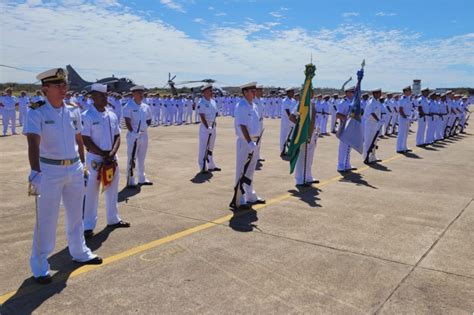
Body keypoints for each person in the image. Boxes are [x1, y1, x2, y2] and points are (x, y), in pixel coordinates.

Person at [24, 68, 102, 284]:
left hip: (74, 169)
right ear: (45, 89)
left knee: (77, 214)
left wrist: (84, 166)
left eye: (64, 84)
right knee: (46, 219)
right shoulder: (36, 111)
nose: (63, 89)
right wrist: (35, 172)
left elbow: (79, 140)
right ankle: (40, 264)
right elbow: (33, 143)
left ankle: (80, 252)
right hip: (49, 171)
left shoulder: (73, 110)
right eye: (58, 85)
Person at [81, 83, 130, 238]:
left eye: (106, 95)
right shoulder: (87, 115)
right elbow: (85, 139)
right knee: (92, 193)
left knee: (112, 189)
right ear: (93, 97)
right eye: (101, 95)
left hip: (111, 159)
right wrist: (103, 153)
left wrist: (112, 152)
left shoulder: (112, 115)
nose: (105, 98)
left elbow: (117, 136)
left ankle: (113, 219)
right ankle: (88, 226)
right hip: (95, 160)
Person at [232, 82, 265, 209]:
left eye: (255, 91)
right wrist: (249, 142)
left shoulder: (254, 105)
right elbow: (242, 125)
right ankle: (239, 198)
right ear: (245, 92)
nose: (254, 93)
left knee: (250, 170)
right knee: (241, 170)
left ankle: (250, 195)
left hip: (254, 142)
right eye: (252, 91)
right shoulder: (242, 106)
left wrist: (255, 143)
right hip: (246, 142)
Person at [123, 85, 153, 187]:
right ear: (133, 94)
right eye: (139, 93)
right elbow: (127, 121)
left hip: (144, 135)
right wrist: (133, 132)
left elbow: (149, 119)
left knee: (142, 157)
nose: (141, 95)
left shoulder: (146, 106)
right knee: (132, 158)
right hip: (133, 135)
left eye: (142, 92)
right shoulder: (129, 106)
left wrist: (144, 128)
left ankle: (142, 178)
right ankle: (130, 180)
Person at [197, 84, 221, 173]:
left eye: (212, 91)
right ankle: (202, 166)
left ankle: (211, 165)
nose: (212, 92)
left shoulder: (213, 101)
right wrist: (208, 127)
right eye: (210, 91)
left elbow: (215, 113)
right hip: (205, 127)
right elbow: (202, 116)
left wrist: (213, 125)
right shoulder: (201, 102)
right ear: (205, 92)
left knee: (211, 147)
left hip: (213, 126)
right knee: (203, 147)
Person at [336, 86, 356, 172]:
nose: (353, 94)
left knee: (349, 147)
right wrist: (348, 117)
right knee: (343, 147)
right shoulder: (342, 103)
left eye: (353, 92)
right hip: (344, 127)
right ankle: (340, 165)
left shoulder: (353, 102)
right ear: (347, 92)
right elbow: (338, 115)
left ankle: (347, 164)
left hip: (351, 127)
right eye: (351, 92)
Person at [363, 89, 383, 164]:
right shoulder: (371, 102)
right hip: (370, 124)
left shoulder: (377, 102)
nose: (380, 94)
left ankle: (373, 157)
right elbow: (372, 113)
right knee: (368, 141)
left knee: (374, 141)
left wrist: (379, 120)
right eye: (379, 93)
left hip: (375, 124)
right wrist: (379, 120)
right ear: (375, 94)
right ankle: (366, 157)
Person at [280, 87, 297, 155]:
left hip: (292, 121)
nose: (293, 93)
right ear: (288, 93)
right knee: (284, 136)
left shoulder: (294, 101)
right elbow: (288, 112)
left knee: (291, 136)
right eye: (292, 92)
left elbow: (295, 111)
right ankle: (282, 151)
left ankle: (290, 150)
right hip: (286, 121)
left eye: (293, 92)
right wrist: (294, 120)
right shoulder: (284, 101)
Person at [396, 86, 413, 153]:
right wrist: (405, 117)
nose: (410, 92)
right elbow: (400, 110)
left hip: (407, 117)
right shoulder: (402, 99)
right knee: (401, 133)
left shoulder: (408, 99)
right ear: (405, 92)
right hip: (403, 118)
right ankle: (399, 148)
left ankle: (404, 147)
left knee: (406, 133)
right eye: (409, 90)